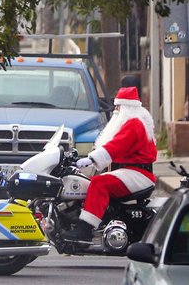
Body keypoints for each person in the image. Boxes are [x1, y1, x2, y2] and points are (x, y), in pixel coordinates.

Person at [63, 86, 157, 242]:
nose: (115, 110)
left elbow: (116, 146)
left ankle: (85, 229)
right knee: (89, 183)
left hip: (138, 174)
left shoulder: (134, 124)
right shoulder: (134, 122)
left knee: (100, 183)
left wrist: (90, 159)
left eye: (118, 106)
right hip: (133, 172)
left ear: (126, 107)